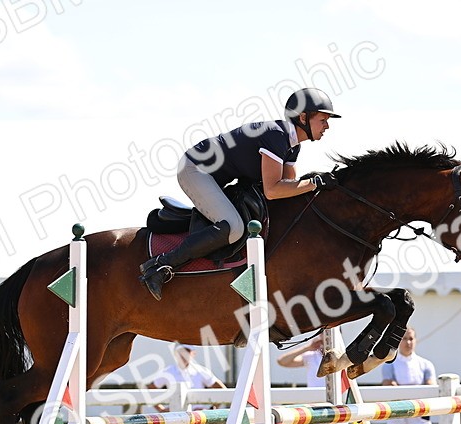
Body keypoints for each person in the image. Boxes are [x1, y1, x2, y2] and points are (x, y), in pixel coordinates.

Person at [139, 88, 340, 301]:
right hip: (195, 169)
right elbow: (273, 190)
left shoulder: (292, 146)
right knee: (233, 228)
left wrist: (316, 185)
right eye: (323, 120)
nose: (327, 126)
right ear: (303, 118)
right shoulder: (276, 136)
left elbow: (289, 189)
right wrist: (314, 183)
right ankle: (160, 266)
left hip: (213, 176)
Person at [152, 343, 227, 424]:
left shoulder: (201, 371)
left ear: (193, 353)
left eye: (187, 351)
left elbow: (221, 389)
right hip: (174, 421)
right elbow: (150, 389)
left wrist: (212, 410)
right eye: (181, 352)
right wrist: (161, 409)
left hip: (197, 421)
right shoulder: (168, 372)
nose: (183, 355)